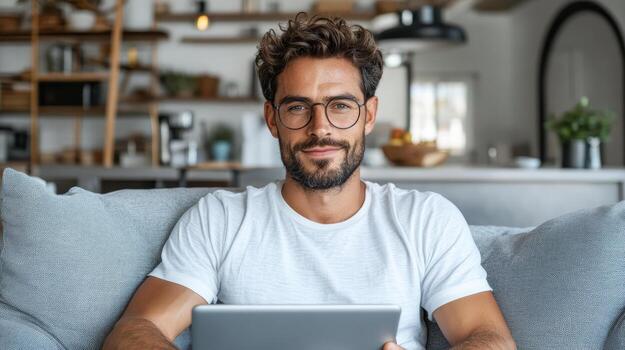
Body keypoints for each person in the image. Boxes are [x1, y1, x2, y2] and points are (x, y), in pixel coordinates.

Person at [103, 13, 516, 350]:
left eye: (340, 106)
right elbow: (135, 330)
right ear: (272, 119)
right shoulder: (221, 220)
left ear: (368, 115)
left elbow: (489, 339)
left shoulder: (426, 219)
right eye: (298, 107)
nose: (320, 129)